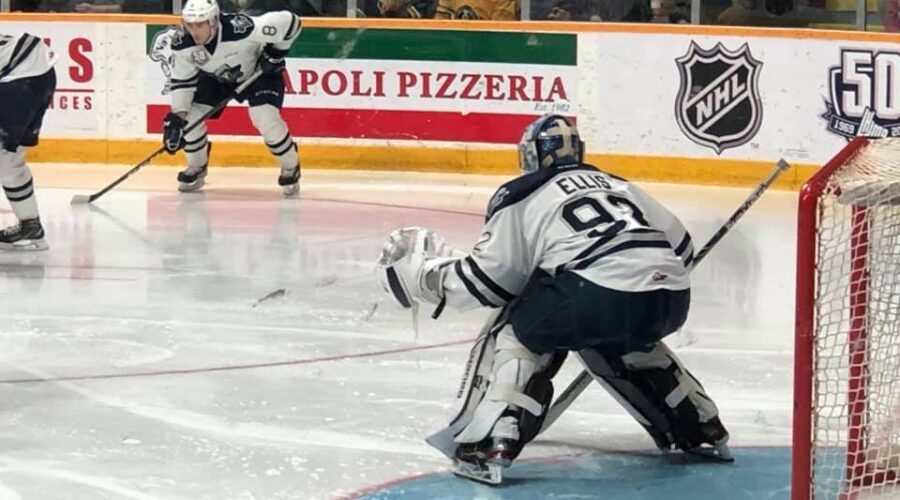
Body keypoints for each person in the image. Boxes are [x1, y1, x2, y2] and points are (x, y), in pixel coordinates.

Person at [376, 114, 732, 484]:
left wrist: (423, 277)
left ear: (530, 156)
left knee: (520, 331)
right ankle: (700, 426)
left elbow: (487, 283)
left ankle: (493, 439)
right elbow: (683, 250)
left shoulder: (520, 193)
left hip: (596, 294)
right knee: (626, 340)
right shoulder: (619, 185)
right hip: (671, 300)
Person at [163, 0, 302, 196]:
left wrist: (276, 53)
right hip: (216, 79)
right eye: (190, 24)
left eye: (200, 24)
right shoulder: (182, 43)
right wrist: (178, 119)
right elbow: (181, 83)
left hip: (259, 74)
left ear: (214, 20)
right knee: (189, 119)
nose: (194, 31)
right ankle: (197, 166)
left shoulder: (240, 28)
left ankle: (290, 166)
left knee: (265, 118)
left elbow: (292, 23)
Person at [0, 32, 56, 251]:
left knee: (4, 158)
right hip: (41, 74)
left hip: (19, 81)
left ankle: (30, 224)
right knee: (8, 160)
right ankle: (30, 226)